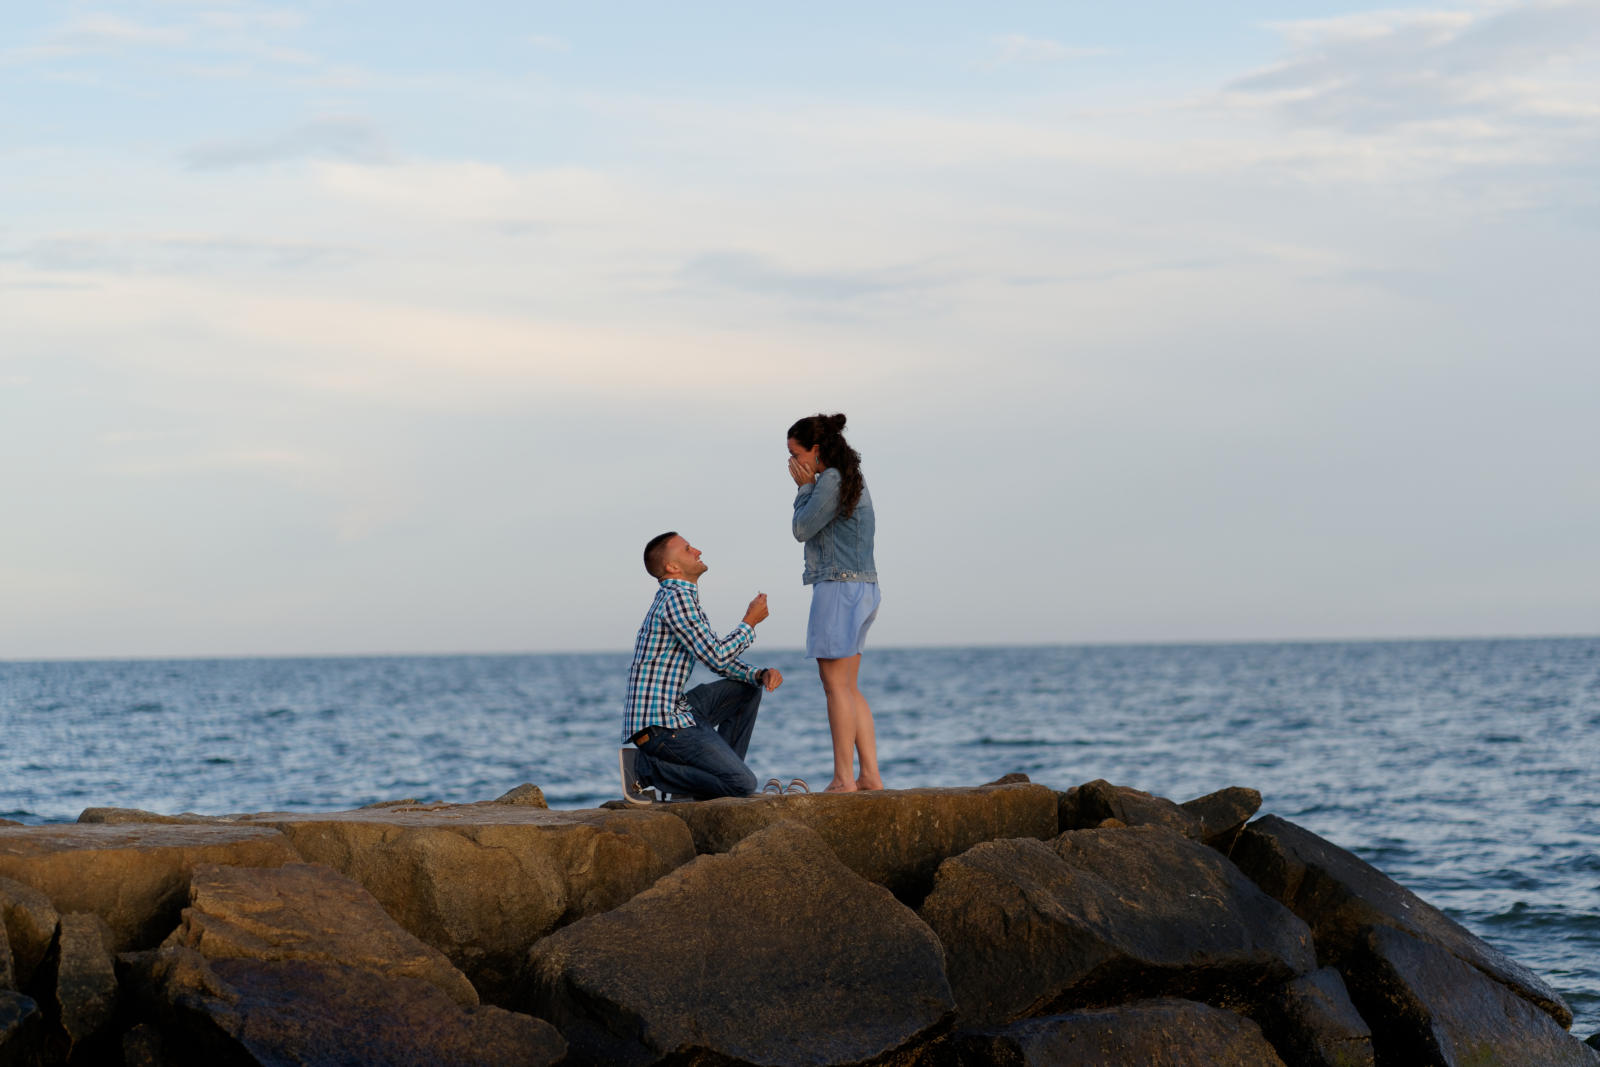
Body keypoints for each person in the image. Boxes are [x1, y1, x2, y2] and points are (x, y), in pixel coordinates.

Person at [621, 531, 784, 801]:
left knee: (748, 689)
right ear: (672, 567)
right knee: (743, 784)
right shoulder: (677, 600)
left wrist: (758, 674)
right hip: (661, 727)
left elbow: (714, 656)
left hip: (676, 713)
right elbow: (716, 656)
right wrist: (749, 622)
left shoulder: (680, 598)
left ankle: (715, 780)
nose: (697, 550)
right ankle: (646, 770)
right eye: (687, 549)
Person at [787, 413, 881, 793]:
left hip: (839, 588)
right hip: (862, 587)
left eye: (796, 454)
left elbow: (801, 529)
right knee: (848, 686)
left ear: (816, 450)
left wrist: (804, 488)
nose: (793, 464)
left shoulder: (828, 481)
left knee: (834, 686)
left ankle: (845, 778)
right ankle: (870, 775)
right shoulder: (849, 478)